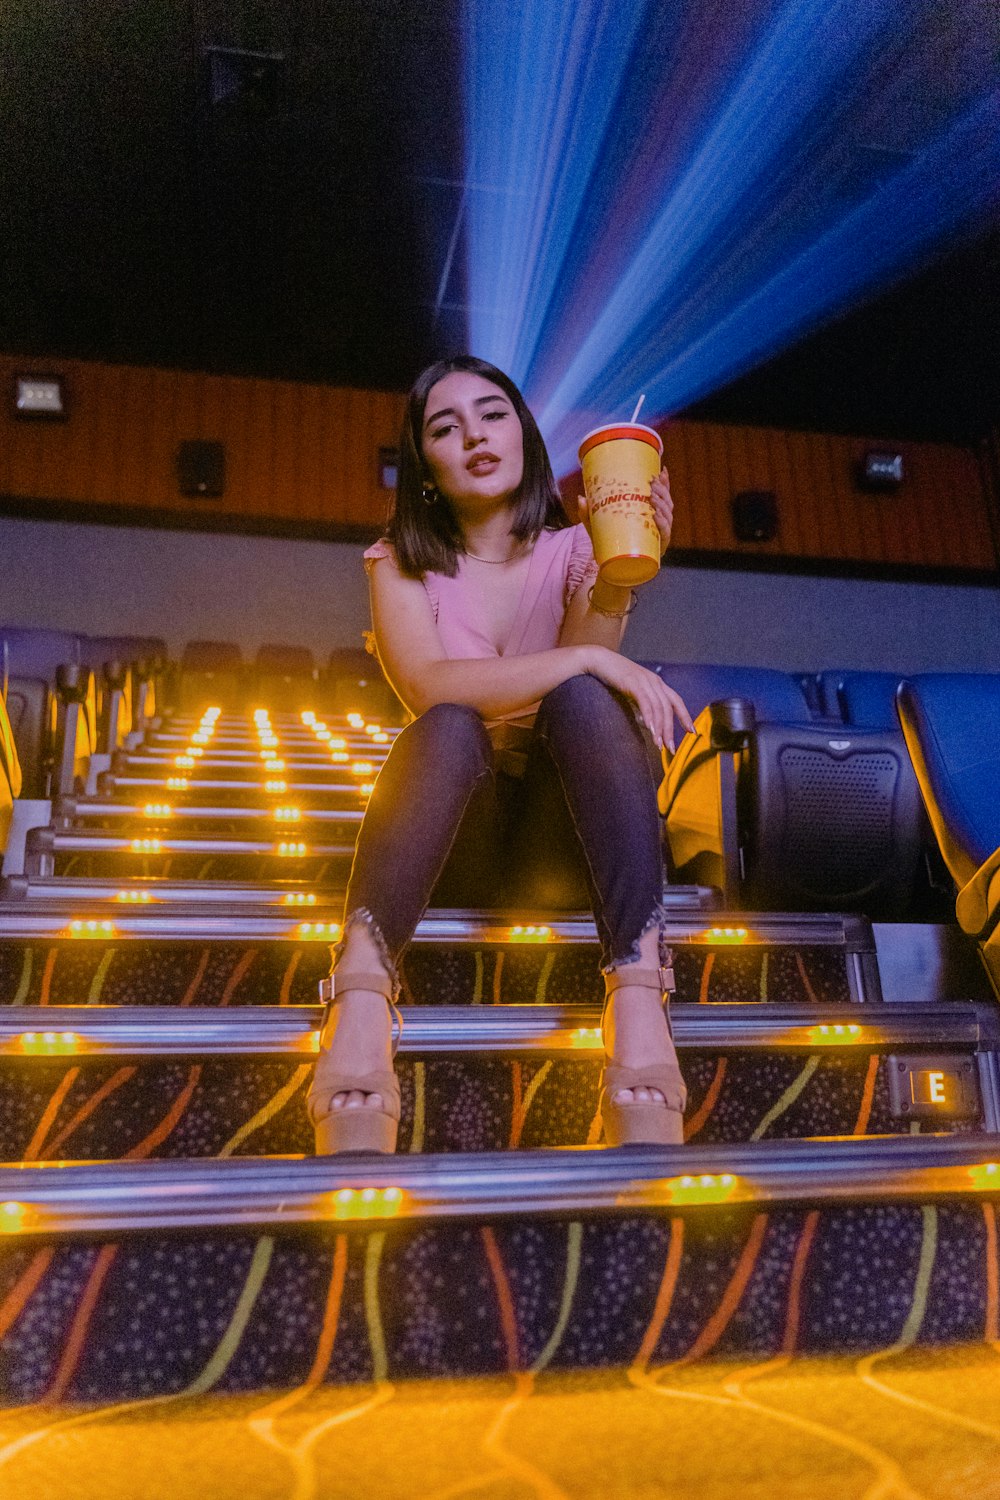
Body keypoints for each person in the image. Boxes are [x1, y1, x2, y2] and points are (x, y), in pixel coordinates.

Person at [307, 355, 694, 1155]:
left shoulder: (578, 547)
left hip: (563, 848)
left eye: (493, 414)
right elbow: (427, 684)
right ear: (425, 469)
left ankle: (640, 992)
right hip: (462, 837)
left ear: (523, 434)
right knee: (448, 724)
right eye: (446, 427)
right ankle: (361, 999)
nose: (475, 435)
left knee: (587, 699)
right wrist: (589, 660)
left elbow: (588, 680)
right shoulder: (398, 563)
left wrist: (619, 579)